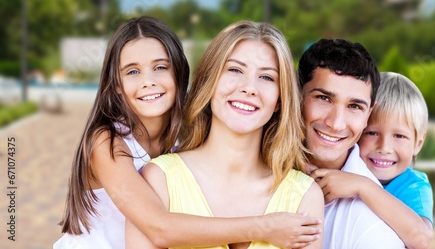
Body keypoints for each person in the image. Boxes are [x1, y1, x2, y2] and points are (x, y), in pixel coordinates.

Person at [54, 17, 322, 249]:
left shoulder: (180, 137)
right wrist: (264, 227)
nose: (148, 81)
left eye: (160, 67)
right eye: (133, 71)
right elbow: (159, 227)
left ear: (180, 75)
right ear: (116, 86)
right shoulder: (107, 142)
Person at [298, 39, 405, 248]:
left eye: (354, 106)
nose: (336, 124)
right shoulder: (253, 163)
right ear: (296, 94)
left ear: (369, 113)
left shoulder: (373, 226)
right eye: (324, 98)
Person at [312, 72, 433, 248]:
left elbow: (421, 238)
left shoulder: (413, 186)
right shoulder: (345, 168)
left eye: (399, 136)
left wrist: (363, 186)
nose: (384, 147)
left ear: (418, 143)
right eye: (372, 133)